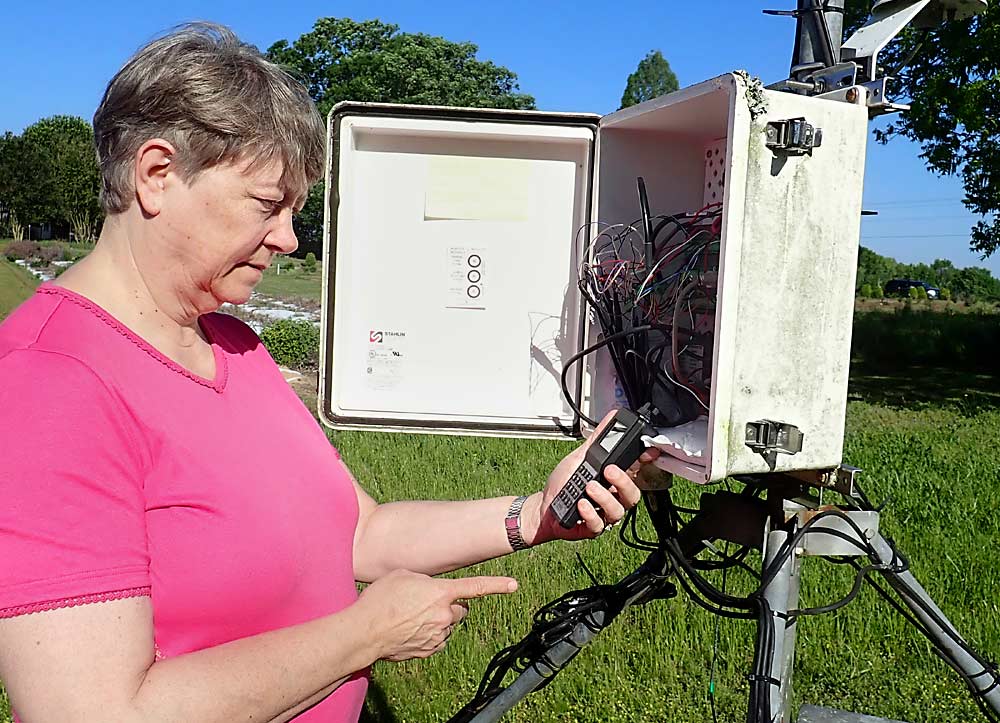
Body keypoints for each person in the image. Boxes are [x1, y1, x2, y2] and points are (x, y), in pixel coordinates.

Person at [0, 23, 658, 723]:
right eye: (267, 205)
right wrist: (363, 635)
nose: (287, 237)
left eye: (294, 212)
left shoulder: (232, 346)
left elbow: (357, 531)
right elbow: (95, 712)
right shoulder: (50, 383)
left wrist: (535, 515)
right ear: (157, 174)